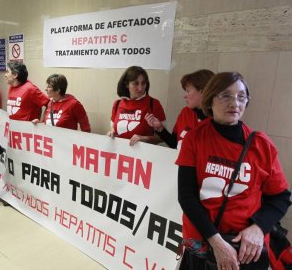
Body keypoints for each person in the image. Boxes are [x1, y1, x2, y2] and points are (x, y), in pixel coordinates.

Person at [176, 72, 291, 269]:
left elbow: (281, 197)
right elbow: (187, 197)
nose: (234, 103)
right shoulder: (194, 139)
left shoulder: (261, 144)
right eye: (225, 95)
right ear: (210, 99)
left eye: (241, 96)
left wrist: (258, 228)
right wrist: (217, 242)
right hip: (202, 242)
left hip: (247, 249)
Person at [145, 69, 214, 149]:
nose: (185, 96)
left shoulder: (219, 119)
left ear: (203, 92)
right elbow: (174, 143)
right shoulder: (185, 112)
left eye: (188, 91)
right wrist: (160, 128)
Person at [107, 66, 166, 146]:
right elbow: (114, 129)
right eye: (136, 83)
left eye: (143, 83)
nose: (140, 88)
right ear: (126, 84)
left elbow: (164, 137)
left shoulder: (154, 103)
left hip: (144, 156)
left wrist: (145, 139)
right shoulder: (117, 104)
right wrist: (112, 133)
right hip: (121, 154)